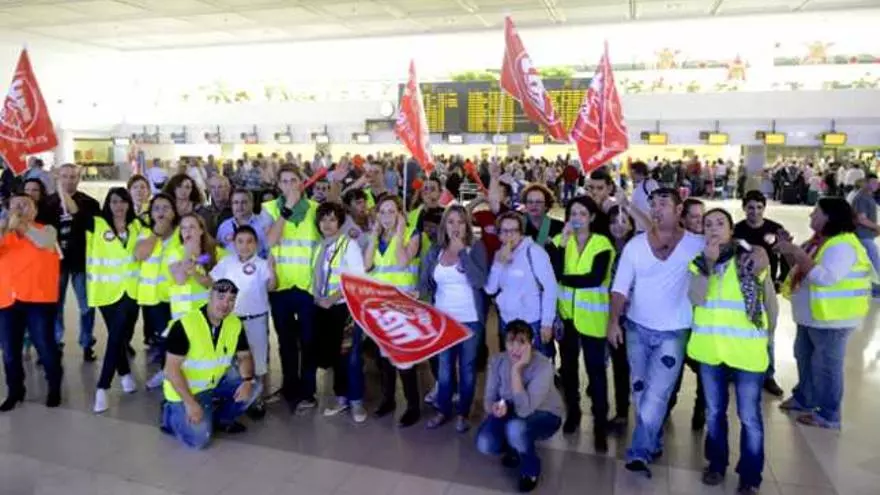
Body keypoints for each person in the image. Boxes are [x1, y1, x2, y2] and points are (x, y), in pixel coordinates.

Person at [608, 188, 705, 478]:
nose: (656, 209)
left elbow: (726, 252)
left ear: (678, 210)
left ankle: (639, 452)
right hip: (636, 329)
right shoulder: (635, 246)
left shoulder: (696, 244)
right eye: (653, 204)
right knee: (640, 391)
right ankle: (654, 439)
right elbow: (620, 287)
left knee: (658, 394)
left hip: (673, 333)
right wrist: (613, 321)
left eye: (663, 204)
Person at [688, 208, 778, 495]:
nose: (713, 228)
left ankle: (750, 476)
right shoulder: (699, 262)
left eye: (720, 223)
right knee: (714, 412)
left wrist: (768, 339)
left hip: (747, 352)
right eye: (708, 224)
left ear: (731, 229)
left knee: (750, 418)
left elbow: (770, 304)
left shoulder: (752, 258)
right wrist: (708, 263)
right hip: (711, 352)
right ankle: (716, 464)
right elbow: (696, 298)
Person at [777, 197, 871, 430]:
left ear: (830, 217)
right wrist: (790, 250)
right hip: (812, 316)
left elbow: (825, 278)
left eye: (816, 212)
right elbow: (799, 269)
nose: (811, 215)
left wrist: (797, 253)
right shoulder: (819, 241)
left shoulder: (842, 246)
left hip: (832, 319)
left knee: (826, 367)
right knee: (804, 357)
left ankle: (829, 414)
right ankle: (804, 398)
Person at [159, 279, 262, 449]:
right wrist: (190, 403)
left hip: (213, 383)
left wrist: (247, 381)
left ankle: (221, 420)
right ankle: (169, 414)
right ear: (209, 297)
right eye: (220, 297)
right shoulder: (185, 324)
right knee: (198, 440)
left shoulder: (234, 323)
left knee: (254, 386)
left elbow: (244, 355)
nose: (225, 304)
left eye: (231, 300)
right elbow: (171, 370)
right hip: (186, 391)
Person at [549, 196, 614, 452]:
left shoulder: (602, 243)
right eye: (573, 214)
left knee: (596, 372)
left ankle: (600, 425)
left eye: (583, 214)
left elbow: (594, 278)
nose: (577, 219)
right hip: (567, 317)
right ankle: (573, 413)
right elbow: (553, 272)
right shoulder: (558, 241)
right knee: (568, 371)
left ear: (592, 217)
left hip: (593, 320)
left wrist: (563, 279)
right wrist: (563, 243)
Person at [420, 205, 488, 433]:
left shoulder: (475, 248)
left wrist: (462, 254)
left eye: (460, 222)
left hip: (470, 320)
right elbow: (425, 283)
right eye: (451, 222)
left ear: (467, 225)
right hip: (443, 320)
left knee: (467, 369)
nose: (455, 226)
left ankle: (463, 413)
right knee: (444, 369)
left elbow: (480, 281)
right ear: (444, 226)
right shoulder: (435, 250)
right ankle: (443, 409)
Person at [475, 320, 564, 493]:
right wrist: (494, 408)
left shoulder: (543, 366)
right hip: (511, 409)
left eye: (522, 342)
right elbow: (488, 399)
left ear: (531, 343)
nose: (515, 348)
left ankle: (531, 469)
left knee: (515, 427)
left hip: (545, 413)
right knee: (484, 443)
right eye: (510, 342)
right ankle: (515, 447)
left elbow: (524, 411)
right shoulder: (497, 361)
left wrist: (516, 370)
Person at [263, 166, 320, 412]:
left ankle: (308, 392)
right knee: (285, 342)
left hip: (308, 288)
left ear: (301, 182)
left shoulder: (315, 209)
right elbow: (269, 241)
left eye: (293, 180)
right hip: (280, 287)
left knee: (308, 341)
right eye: (284, 181)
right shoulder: (269, 209)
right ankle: (289, 387)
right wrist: (286, 209)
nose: (289, 185)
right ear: (278, 185)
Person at [0, 193, 63, 411]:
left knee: (45, 347)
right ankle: (15, 391)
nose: (19, 208)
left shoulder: (47, 230)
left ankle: (54, 387)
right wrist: (6, 228)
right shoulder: (5, 233)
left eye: (25, 205)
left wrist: (22, 226)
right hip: (8, 301)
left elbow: (44, 243)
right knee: (10, 352)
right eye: (15, 205)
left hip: (39, 300)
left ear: (35, 210)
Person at [365, 194, 423, 427]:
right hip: (381, 306)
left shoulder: (413, 234)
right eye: (382, 212)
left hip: (403, 305)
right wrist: (373, 236)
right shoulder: (377, 236)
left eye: (392, 211)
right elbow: (367, 265)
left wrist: (399, 232)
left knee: (404, 358)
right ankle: (388, 399)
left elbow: (401, 261)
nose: (387, 216)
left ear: (400, 213)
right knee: (385, 356)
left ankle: (413, 406)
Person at [209, 225, 276, 418]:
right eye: (240, 241)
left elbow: (272, 286)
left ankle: (257, 398)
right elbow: (211, 281)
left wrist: (272, 270)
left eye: (249, 242)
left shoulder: (261, 264)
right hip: (231, 320)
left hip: (256, 319)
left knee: (258, 359)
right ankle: (232, 395)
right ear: (234, 243)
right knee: (231, 359)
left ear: (256, 244)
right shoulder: (226, 262)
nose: (245, 246)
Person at [87, 188, 143, 413]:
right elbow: (73, 211)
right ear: (108, 204)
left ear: (129, 204)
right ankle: (114, 381)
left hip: (130, 291)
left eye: (123, 201)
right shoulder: (97, 224)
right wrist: (61, 186)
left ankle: (106, 384)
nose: (119, 206)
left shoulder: (137, 226)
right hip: (105, 292)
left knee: (118, 335)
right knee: (116, 336)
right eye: (114, 201)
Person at [310, 202, 367, 423]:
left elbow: (357, 279)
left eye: (332, 219)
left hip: (345, 308)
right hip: (324, 309)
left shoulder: (348, 245)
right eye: (323, 219)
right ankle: (342, 398)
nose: (327, 224)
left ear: (340, 223)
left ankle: (357, 402)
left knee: (350, 357)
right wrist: (319, 300)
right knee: (335, 356)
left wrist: (332, 298)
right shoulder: (320, 247)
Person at [733, 190, 788, 397]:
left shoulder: (775, 229)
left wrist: (782, 279)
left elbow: (785, 255)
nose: (754, 212)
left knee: (768, 331)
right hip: (742, 287)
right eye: (750, 208)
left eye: (758, 207)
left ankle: (768, 375)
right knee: (741, 328)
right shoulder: (736, 230)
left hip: (767, 286)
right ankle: (738, 369)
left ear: (764, 208)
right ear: (744, 208)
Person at [47, 163, 101, 362]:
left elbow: (92, 226)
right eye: (64, 176)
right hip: (55, 264)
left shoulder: (90, 203)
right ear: (58, 178)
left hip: (81, 262)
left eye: (73, 177)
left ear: (78, 179)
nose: (68, 180)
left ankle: (87, 342)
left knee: (87, 306)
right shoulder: (47, 203)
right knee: (55, 306)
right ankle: (55, 342)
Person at [485, 212, 557, 358]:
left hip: (532, 322)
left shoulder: (534, 252)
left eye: (514, 231)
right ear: (499, 234)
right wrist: (499, 264)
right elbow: (490, 289)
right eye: (504, 231)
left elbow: (550, 288)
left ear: (521, 232)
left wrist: (547, 323)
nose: (509, 235)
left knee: (535, 366)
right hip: (507, 321)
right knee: (513, 364)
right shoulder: (499, 254)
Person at [135, 194, 180, 383]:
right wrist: (156, 233)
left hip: (178, 297)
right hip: (154, 297)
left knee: (178, 336)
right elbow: (140, 255)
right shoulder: (145, 233)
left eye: (166, 208)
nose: (161, 212)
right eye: (157, 208)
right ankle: (165, 372)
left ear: (174, 212)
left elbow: (205, 254)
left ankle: (176, 372)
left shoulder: (182, 232)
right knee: (162, 337)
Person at [164, 214, 224, 322]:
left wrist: (194, 272)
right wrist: (188, 252)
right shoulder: (174, 253)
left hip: (207, 313)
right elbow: (180, 279)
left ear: (201, 230)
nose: (187, 231)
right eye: (183, 228)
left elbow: (214, 283)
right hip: (183, 316)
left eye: (192, 227)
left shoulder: (215, 252)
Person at [606, 205, 634, 432]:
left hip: (634, 317)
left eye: (624, 221)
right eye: (614, 221)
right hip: (610, 316)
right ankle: (622, 412)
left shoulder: (640, 247)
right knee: (620, 366)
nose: (619, 226)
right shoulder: (603, 247)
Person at [849, 173, 880, 298]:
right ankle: (876, 288)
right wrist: (876, 227)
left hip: (867, 235)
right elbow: (861, 219)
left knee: (871, 262)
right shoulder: (861, 198)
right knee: (875, 262)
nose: (875, 185)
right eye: (872, 182)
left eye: (876, 183)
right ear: (865, 182)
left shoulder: (868, 196)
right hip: (863, 236)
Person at [216, 189, 270, 259]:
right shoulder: (224, 226)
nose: (239, 206)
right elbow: (217, 250)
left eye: (244, 202)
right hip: (230, 265)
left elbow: (271, 251)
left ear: (252, 204)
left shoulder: (264, 223)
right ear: (231, 205)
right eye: (236, 202)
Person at [629, 161, 659, 232]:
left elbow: (657, 202)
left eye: (633, 173)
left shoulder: (650, 184)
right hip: (639, 226)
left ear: (640, 172)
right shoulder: (638, 186)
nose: (631, 175)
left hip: (649, 227)